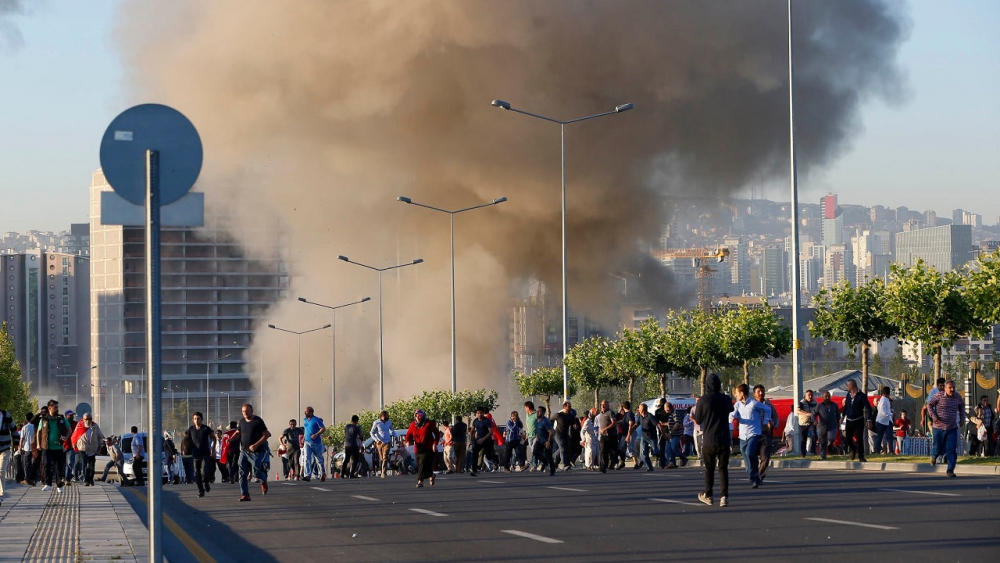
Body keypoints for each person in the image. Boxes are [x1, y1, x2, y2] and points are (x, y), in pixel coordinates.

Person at [694, 373, 734, 507]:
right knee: (723, 469)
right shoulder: (726, 399)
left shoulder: (703, 400)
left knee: (709, 469)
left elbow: (698, 420)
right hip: (723, 438)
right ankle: (724, 496)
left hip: (709, 439)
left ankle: (708, 495)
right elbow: (731, 409)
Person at [729, 383, 770, 488]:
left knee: (749, 452)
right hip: (742, 435)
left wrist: (765, 421)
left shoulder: (753, 403)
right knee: (745, 455)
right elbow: (733, 413)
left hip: (754, 433)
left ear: (742, 394)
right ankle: (754, 475)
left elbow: (767, 409)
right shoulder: (738, 404)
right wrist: (733, 417)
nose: (736, 396)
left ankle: (753, 476)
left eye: (737, 394)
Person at [230, 404, 271, 501]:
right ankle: (245, 494)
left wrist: (256, 445)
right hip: (244, 452)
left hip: (256, 452)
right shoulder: (242, 421)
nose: (245, 413)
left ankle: (263, 479)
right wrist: (230, 440)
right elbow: (238, 432)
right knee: (242, 473)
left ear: (252, 410)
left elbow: (266, 435)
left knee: (256, 473)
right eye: (243, 411)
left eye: (247, 411)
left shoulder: (258, 421)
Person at [926, 380, 966, 477]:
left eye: (953, 388)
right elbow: (929, 405)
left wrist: (962, 418)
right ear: (945, 388)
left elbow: (962, 407)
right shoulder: (938, 396)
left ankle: (950, 470)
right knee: (938, 446)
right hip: (938, 427)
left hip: (952, 427)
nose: (952, 390)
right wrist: (933, 416)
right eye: (950, 388)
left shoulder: (957, 396)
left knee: (951, 449)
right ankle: (934, 455)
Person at [33, 400, 71, 492]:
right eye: (55, 407)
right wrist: (38, 443)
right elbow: (39, 431)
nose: (57, 409)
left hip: (58, 447)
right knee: (47, 465)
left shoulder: (61, 418)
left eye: (57, 407)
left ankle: (59, 486)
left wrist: (66, 437)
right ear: (49, 408)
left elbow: (69, 429)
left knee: (59, 467)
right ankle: (48, 484)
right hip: (46, 447)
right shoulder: (44, 419)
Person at [405, 409, 440, 488]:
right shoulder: (413, 424)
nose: (418, 417)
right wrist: (408, 441)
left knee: (423, 464)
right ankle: (431, 475)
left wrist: (435, 444)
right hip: (418, 448)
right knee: (420, 465)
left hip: (428, 447)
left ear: (423, 416)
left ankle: (420, 481)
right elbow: (409, 434)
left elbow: (437, 434)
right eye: (416, 415)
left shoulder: (429, 423)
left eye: (419, 415)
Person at [71, 412, 105, 486]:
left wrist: (100, 445)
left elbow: (100, 436)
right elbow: (75, 435)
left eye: (90, 419)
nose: (88, 421)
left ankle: (90, 479)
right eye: (86, 419)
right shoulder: (79, 426)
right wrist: (74, 444)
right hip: (82, 448)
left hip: (92, 449)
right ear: (83, 419)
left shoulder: (95, 426)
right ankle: (86, 480)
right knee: (84, 463)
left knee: (91, 466)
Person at [185, 412, 215, 497]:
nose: (197, 420)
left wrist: (212, 450)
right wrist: (184, 448)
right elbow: (185, 438)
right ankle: (201, 491)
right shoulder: (191, 429)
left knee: (204, 472)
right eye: (195, 419)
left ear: (202, 419)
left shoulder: (206, 429)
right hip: (195, 454)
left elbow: (214, 438)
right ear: (192, 420)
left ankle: (206, 482)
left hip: (205, 453)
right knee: (197, 474)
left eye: (198, 418)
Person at [841, 379, 871, 462]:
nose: (847, 387)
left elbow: (868, 408)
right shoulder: (848, 395)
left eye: (848, 385)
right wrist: (843, 416)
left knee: (859, 438)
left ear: (852, 386)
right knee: (848, 439)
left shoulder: (861, 395)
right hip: (849, 420)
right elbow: (846, 406)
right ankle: (853, 448)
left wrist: (869, 419)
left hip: (859, 419)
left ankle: (861, 456)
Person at [755, 385, 779, 483]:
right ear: (754, 394)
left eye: (762, 391)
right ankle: (754, 473)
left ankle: (759, 476)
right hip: (754, 434)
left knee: (765, 458)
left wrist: (772, 424)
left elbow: (775, 418)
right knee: (752, 456)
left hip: (765, 434)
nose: (761, 393)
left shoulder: (769, 405)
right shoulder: (752, 405)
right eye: (758, 391)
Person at [301, 407, 326, 482]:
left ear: (311, 412)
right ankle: (307, 475)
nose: (305, 413)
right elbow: (306, 429)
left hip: (316, 443)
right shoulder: (305, 420)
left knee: (319, 460)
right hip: (307, 442)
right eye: (305, 412)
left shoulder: (316, 419)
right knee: (307, 459)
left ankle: (322, 474)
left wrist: (316, 434)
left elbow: (323, 428)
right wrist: (304, 437)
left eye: (307, 412)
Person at [814, 391, 840, 460]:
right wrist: (814, 420)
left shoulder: (834, 405)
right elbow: (814, 414)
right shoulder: (819, 406)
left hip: (832, 426)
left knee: (832, 438)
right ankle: (823, 456)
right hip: (822, 426)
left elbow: (838, 414)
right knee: (822, 442)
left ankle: (830, 445)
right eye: (826, 397)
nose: (827, 398)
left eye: (828, 396)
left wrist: (838, 422)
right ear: (823, 397)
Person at [530, 406, 555, 475]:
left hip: (547, 441)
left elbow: (551, 432)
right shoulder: (536, 421)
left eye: (539, 411)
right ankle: (545, 462)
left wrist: (548, 442)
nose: (537, 412)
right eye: (537, 411)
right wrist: (537, 438)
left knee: (548, 456)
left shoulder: (545, 421)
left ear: (543, 413)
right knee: (535, 452)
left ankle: (552, 471)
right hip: (540, 441)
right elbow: (538, 431)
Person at [469, 408, 493, 477]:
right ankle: (474, 470)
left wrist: (483, 439)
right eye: (478, 413)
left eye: (481, 413)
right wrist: (470, 440)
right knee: (474, 454)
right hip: (478, 440)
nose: (479, 414)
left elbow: (491, 432)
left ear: (483, 413)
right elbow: (472, 431)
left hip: (487, 440)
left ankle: (494, 460)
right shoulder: (475, 421)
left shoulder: (487, 421)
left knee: (489, 455)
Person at [596, 400, 619, 474]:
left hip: (612, 435)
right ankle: (603, 466)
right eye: (601, 404)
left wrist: (605, 428)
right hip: (603, 436)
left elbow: (614, 423)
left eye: (604, 405)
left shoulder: (610, 413)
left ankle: (613, 463)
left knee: (613, 451)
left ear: (608, 406)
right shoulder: (600, 414)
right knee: (603, 450)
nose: (602, 406)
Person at [370, 410, 394, 479]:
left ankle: (383, 472)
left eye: (387, 415)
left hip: (387, 441)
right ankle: (383, 469)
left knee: (385, 457)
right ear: (382, 416)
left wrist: (393, 435)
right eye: (385, 416)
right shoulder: (376, 423)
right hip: (379, 442)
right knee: (381, 458)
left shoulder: (389, 422)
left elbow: (392, 430)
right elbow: (372, 432)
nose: (386, 417)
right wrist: (376, 439)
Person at [553, 402, 576, 471]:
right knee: (562, 446)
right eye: (569, 407)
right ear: (564, 407)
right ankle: (564, 464)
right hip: (558, 433)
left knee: (563, 448)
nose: (570, 408)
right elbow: (550, 420)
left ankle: (554, 458)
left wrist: (575, 425)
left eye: (570, 407)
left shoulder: (571, 416)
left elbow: (574, 422)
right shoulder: (559, 415)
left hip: (565, 434)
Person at [635, 403, 658, 472]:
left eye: (639, 408)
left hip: (652, 437)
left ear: (643, 409)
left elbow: (658, 424)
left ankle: (660, 455)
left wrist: (664, 433)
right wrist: (630, 430)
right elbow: (637, 424)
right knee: (644, 453)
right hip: (644, 437)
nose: (638, 409)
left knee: (655, 451)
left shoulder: (650, 416)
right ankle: (649, 467)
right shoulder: (640, 417)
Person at [666, 402, 687, 469]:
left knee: (674, 447)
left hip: (676, 434)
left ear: (668, 408)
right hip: (671, 435)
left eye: (665, 408)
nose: (664, 410)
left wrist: (671, 432)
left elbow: (677, 423)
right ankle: (672, 463)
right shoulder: (670, 414)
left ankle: (683, 457)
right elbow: (670, 423)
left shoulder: (675, 413)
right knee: (669, 449)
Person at [796, 389, 817, 456]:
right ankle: (803, 453)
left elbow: (817, 410)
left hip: (811, 422)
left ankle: (812, 450)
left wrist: (816, 419)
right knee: (803, 438)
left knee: (814, 435)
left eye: (811, 395)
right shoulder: (802, 402)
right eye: (809, 395)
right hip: (803, 422)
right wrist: (806, 414)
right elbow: (798, 411)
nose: (810, 396)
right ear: (805, 396)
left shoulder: (815, 402)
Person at [874, 386, 894, 454]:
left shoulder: (885, 399)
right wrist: (890, 414)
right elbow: (882, 411)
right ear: (887, 393)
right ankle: (877, 450)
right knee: (880, 436)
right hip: (881, 421)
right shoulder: (883, 400)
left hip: (887, 421)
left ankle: (891, 450)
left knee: (889, 436)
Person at [20, 412, 37, 486]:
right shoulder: (36, 426)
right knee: (35, 463)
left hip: (27, 448)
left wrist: (20, 447)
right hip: (35, 448)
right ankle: (34, 478)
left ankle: (27, 478)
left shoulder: (25, 427)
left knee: (27, 464)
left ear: (26, 419)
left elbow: (22, 439)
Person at [620, 401, 639, 468]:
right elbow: (624, 421)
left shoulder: (629, 414)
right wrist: (617, 422)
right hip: (624, 434)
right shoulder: (626, 414)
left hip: (629, 433)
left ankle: (636, 463)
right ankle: (622, 462)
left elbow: (631, 424)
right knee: (622, 448)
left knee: (631, 448)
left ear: (623, 407)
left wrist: (628, 435)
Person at [653, 398, 671, 468]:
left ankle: (661, 462)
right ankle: (667, 461)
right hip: (667, 429)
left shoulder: (657, 411)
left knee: (662, 446)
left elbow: (656, 421)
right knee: (668, 446)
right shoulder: (667, 411)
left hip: (660, 430)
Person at [0, 407, 12, 499]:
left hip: (4, 448)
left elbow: (13, 428)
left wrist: (16, 442)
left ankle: (0, 495)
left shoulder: (5, 415)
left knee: (1, 471)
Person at [523, 401, 537, 471]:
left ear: (528, 407)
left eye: (525, 407)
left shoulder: (536, 414)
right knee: (533, 450)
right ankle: (542, 463)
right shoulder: (527, 414)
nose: (525, 409)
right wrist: (527, 434)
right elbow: (527, 424)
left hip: (536, 435)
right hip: (530, 436)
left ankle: (533, 465)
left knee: (534, 449)